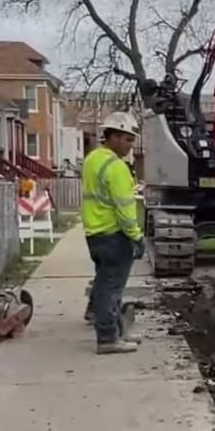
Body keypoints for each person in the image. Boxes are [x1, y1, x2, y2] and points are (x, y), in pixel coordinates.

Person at [81, 111, 146, 354]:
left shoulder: (92, 160)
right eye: (127, 139)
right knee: (111, 289)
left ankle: (118, 331)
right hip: (114, 235)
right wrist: (136, 237)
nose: (130, 145)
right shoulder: (117, 167)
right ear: (114, 137)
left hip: (95, 234)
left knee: (105, 284)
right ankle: (108, 338)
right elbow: (125, 210)